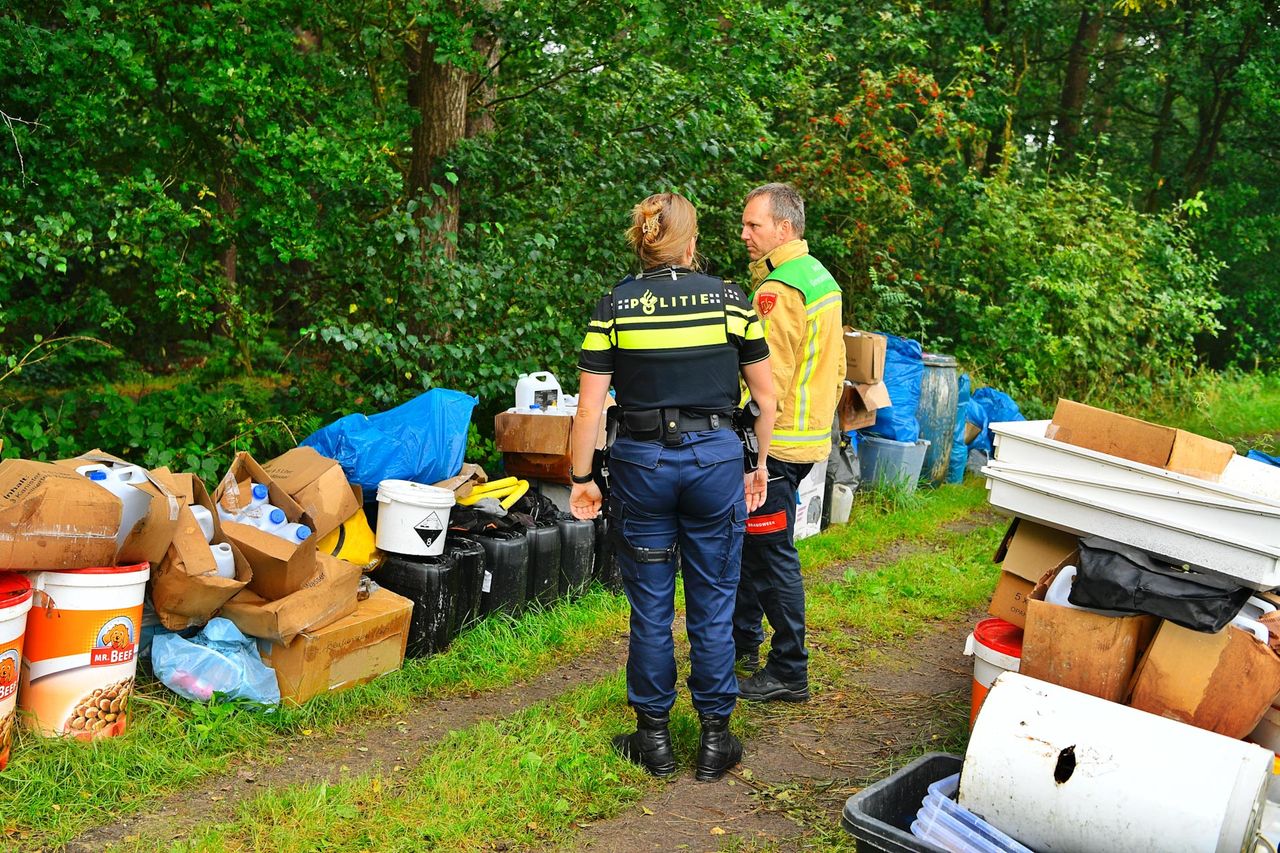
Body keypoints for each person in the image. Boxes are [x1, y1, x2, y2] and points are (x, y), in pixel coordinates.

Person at [569, 192, 776, 781]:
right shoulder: (732, 302)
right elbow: (766, 399)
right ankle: (715, 740)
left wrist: (582, 479)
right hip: (714, 464)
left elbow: (590, 411)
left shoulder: (615, 306)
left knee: (651, 608)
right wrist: (757, 464)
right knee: (712, 603)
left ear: (646, 242)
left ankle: (653, 739)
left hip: (642, 467)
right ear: (690, 244)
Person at [733, 182, 844, 703]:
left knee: (772, 553)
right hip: (806, 438)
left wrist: (751, 446)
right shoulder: (820, 277)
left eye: (754, 225)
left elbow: (766, 380)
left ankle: (789, 668)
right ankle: (743, 643)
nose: (745, 235)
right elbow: (837, 366)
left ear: (784, 227)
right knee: (756, 547)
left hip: (774, 445)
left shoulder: (779, 290)